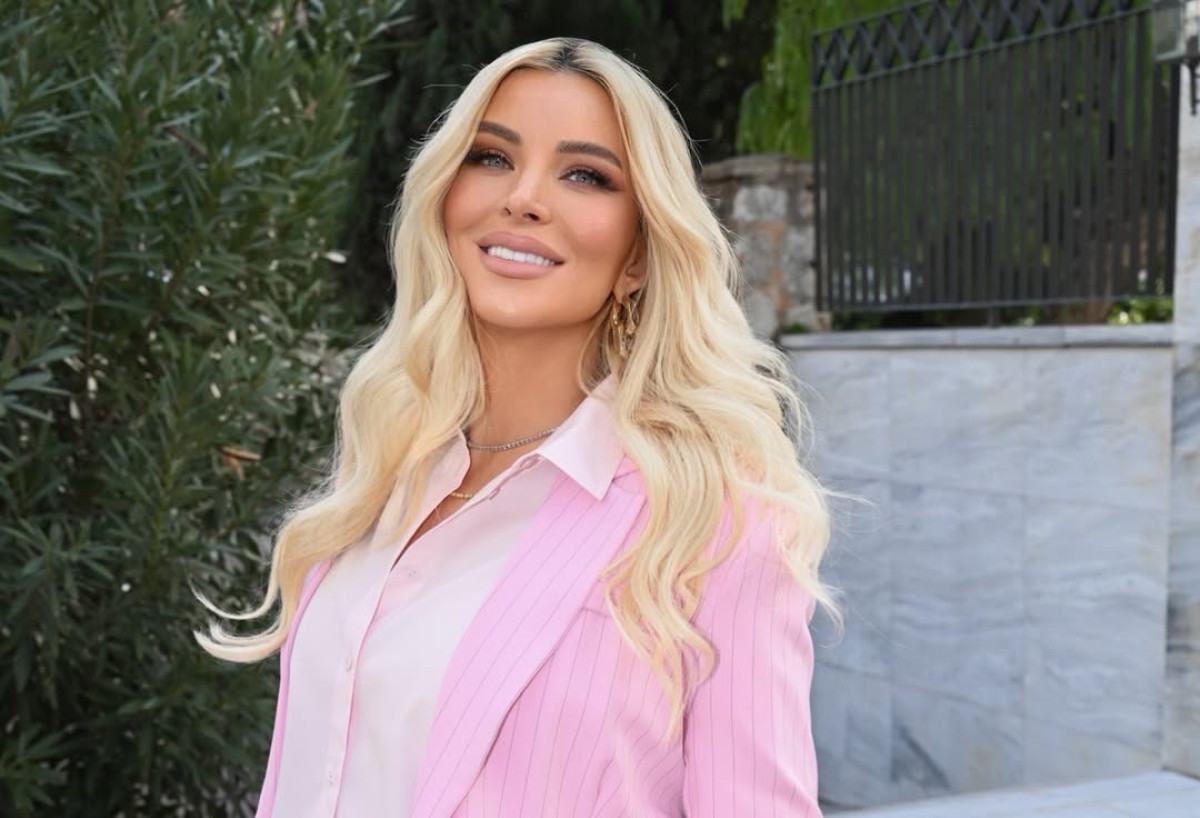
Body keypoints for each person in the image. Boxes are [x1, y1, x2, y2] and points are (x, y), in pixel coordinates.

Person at [197, 36, 836, 818]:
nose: (524, 197)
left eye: (585, 174)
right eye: (492, 158)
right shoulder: (388, 465)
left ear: (638, 256)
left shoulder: (715, 521)